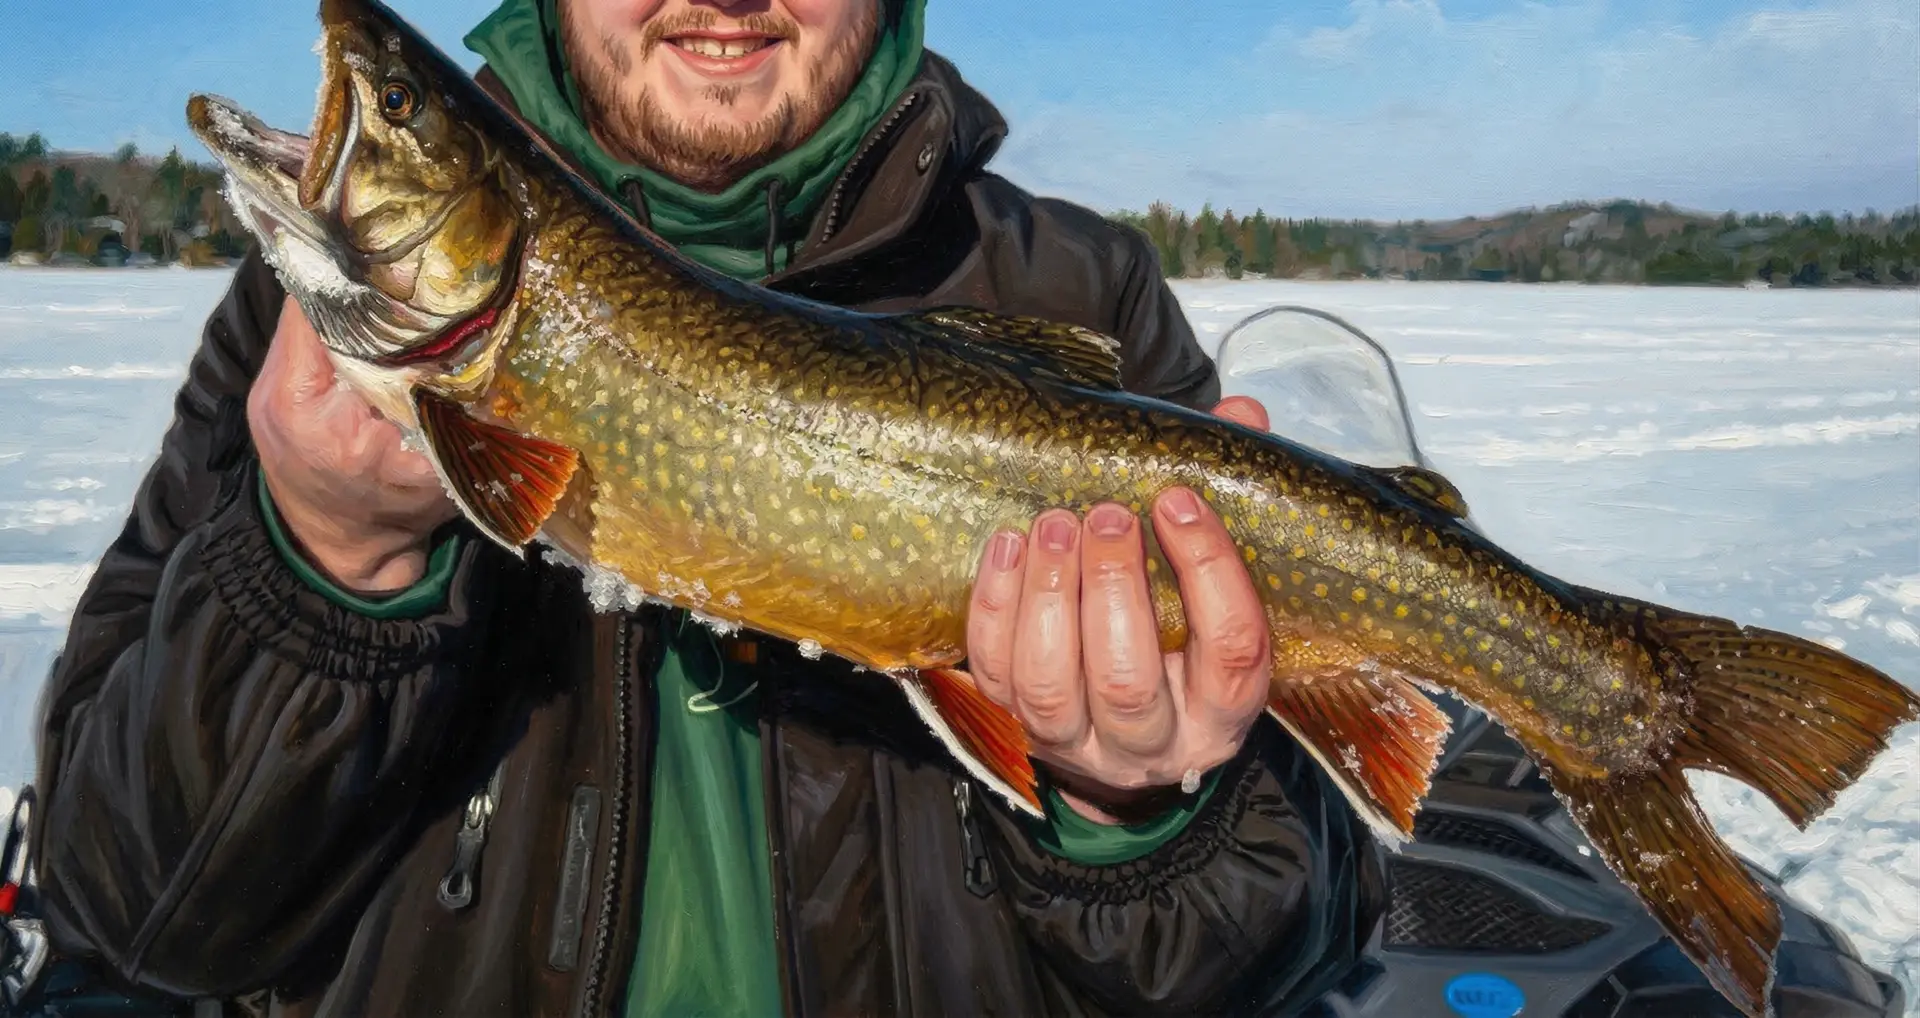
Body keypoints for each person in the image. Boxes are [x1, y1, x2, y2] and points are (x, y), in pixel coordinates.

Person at [32, 0, 1385, 1014]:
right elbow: (136, 911)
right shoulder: (304, 346)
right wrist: (322, 561)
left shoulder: (1078, 293)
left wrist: (1140, 813)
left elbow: (1301, 941)